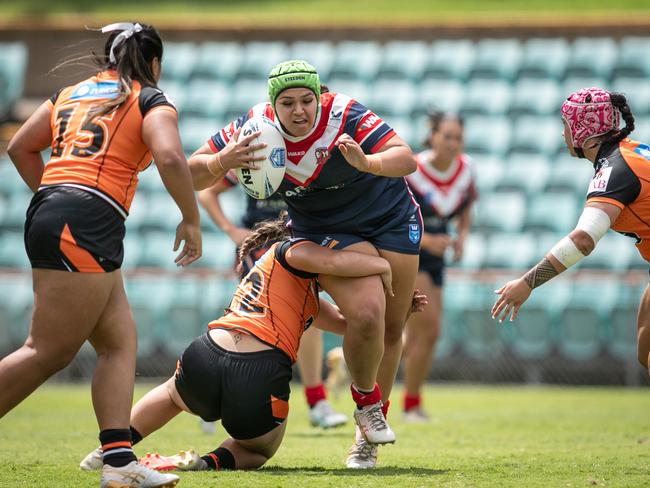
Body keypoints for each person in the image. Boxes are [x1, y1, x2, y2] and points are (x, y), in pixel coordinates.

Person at [186, 59, 421, 468]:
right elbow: (188, 173)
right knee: (368, 314)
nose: (299, 111)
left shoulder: (345, 113)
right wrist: (222, 160)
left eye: (307, 101)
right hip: (327, 230)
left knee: (393, 327)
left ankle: (367, 424)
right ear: (272, 105)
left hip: (392, 218)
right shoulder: (255, 126)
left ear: (320, 97)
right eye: (288, 103)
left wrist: (368, 163)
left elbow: (405, 158)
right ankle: (367, 411)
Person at [1, 22, 202, 488]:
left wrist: (56, 195)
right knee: (47, 351)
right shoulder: (149, 97)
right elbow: (171, 158)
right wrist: (190, 219)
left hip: (66, 212)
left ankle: (118, 463)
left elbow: (20, 147)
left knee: (117, 342)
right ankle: (118, 465)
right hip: (88, 219)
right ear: (153, 64)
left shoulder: (70, 93)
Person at [80, 217, 427, 472]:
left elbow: (354, 325)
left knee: (173, 394)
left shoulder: (295, 288)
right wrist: (385, 265)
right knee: (262, 450)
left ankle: (112, 449)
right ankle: (208, 463)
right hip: (257, 372)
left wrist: (398, 312)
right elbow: (335, 262)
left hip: (206, 354)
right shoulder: (293, 250)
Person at [492, 87, 650, 375]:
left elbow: (583, 240)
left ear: (583, 129)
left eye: (565, 125)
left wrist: (527, 283)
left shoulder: (616, 169)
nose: (562, 134)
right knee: (645, 348)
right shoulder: (631, 152)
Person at [198, 171, 347, 430]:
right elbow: (206, 191)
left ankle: (316, 402)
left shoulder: (310, 152)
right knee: (249, 325)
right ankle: (212, 399)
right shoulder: (255, 154)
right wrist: (230, 229)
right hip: (259, 246)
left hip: (298, 245)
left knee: (308, 317)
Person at [402, 112, 476, 422]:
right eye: (446, 136)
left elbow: (465, 207)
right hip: (409, 254)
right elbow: (395, 221)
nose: (452, 143)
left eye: (457, 137)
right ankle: (411, 405)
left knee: (415, 336)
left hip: (437, 259)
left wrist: (460, 237)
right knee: (430, 330)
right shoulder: (411, 170)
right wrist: (427, 241)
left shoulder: (465, 169)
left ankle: (350, 361)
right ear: (431, 136)